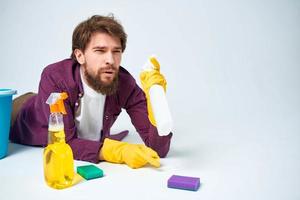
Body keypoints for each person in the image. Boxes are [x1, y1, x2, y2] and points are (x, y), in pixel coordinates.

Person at [9, 15, 172, 169]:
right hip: (19, 111)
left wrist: (155, 102)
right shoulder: (54, 77)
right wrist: (116, 151)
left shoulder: (125, 83)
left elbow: (159, 150)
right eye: (100, 51)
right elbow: (63, 144)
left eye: (116, 51)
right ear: (80, 56)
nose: (110, 60)